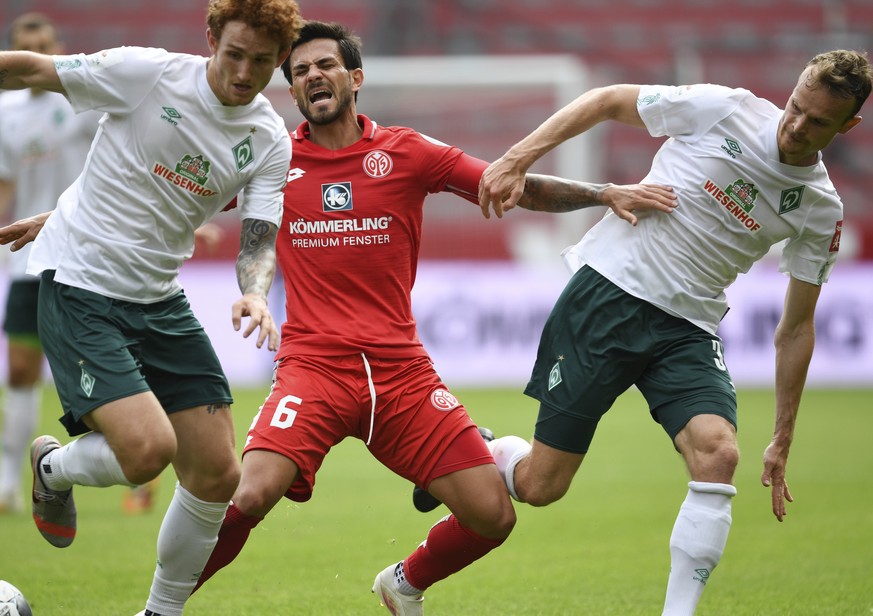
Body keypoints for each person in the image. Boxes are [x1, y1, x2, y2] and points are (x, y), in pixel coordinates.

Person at [184, 20, 678, 615]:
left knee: (493, 515)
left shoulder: (405, 152)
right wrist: (68, 221)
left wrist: (603, 193)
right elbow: (173, 191)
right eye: (299, 71)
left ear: (354, 77)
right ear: (291, 89)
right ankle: (162, 608)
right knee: (249, 493)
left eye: (325, 65)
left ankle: (403, 582)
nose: (312, 75)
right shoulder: (273, 159)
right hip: (313, 369)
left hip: (401, 373)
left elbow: (510, 182)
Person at [476, 50, 872, 615]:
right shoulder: (726, 110)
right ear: (792, 91)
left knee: (719, 455)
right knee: (542, 486)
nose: (796, 126)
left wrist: (783, 436)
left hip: (688, 326)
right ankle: (481, 448)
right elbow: (607, 100)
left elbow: (797, 327)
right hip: (611, 293)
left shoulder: (819, 209)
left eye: (819, 123)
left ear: (848, 126)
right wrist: (517, 159)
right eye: (795, 108)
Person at [0, 1, 303, 614]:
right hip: (81, 282)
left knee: (219, 472)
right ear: (211, 39)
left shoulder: (268, 138)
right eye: (235, 55)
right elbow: (33, 70)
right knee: (147, 453)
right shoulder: (149, 73)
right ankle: (53, 468)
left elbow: (258, 239)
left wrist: (253, 291)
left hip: (159, 297)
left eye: (263, 63)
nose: (245, 73)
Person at [0, 13, 100, 514]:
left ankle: (124, 463)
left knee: (94, 371)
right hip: (24, 256)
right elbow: (4, 185)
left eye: (43, 45)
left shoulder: (82, 101)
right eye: (24, 46)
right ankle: (6, 485)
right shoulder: (4, 111)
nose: (33, 54)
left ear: (54, 50)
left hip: (83, 255)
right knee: (19, 370)